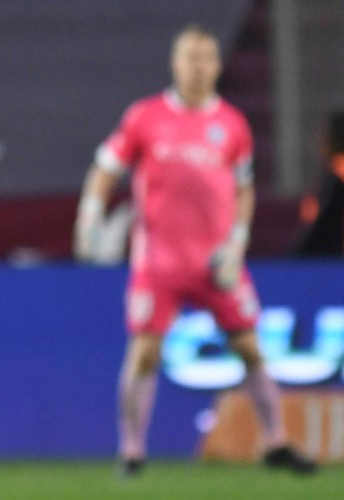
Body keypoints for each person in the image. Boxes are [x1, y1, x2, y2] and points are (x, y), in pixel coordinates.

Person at [74, 24, 317, 477]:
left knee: (250, 349)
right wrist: (89, 215)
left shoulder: (232, 124)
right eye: (191, 57)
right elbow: (105, 169)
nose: (198, 66)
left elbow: (243, 189)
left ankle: (276, 442)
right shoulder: (145, 117)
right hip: (159, 262)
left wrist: (237, 243)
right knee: (145, 353)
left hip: (216, 261)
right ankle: (131, 451)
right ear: (176, 63)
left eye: (206, 58)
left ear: (218, 65)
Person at [292, 110, 344, 257]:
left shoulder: (337, 178)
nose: (320, 142)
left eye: (324, 136)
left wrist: (297, 258)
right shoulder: (330, 175)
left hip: (331, 262)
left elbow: (323, 227)